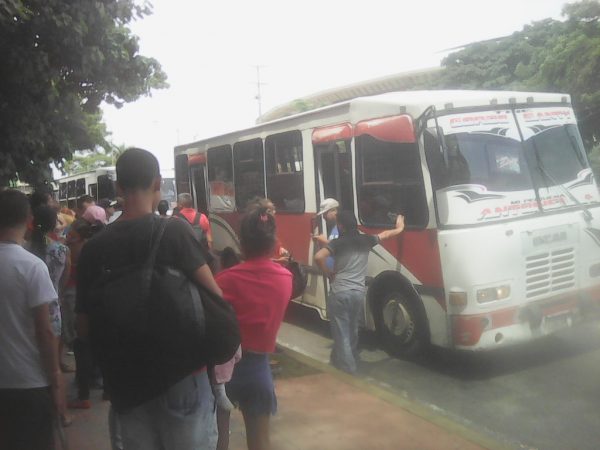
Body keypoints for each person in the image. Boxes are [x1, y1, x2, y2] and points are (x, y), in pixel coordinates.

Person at [76, 148, 222, 449]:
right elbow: (215, 298)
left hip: (126, 382)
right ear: (157, 183)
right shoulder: (175, 233)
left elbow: (83, 327)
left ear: (118, 188)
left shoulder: (93, 248)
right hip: (182, 374)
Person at [215, 207, 292, 450]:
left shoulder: (225, 280)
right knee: (260, 443)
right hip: (259, 369)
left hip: (222, 369)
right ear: (273, 242)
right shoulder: (285, 278)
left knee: (218, 439)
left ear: (242, 243)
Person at [0, 189, 65, 450]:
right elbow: (45, 331)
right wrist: (56, 378)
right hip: (29, 382)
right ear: (29, 221)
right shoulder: (31, 266)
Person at [315, 211, 405, 374]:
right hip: (358, 293)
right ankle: (349, 358)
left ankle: (349, 369)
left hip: (340, 292)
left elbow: (319, 256)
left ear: (341, 226)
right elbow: (385, 235)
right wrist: (399, 228)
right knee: (352, 329)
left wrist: (328, 273)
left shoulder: (338, 243)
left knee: (341, 332)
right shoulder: (366, 240)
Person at [312, 198, 340, 271]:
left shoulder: (343, 228)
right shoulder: (330, 228)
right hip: (332, 273)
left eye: (325, 213)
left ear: (334, 210)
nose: (323, 217)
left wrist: (326, 242)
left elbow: (344, 250)